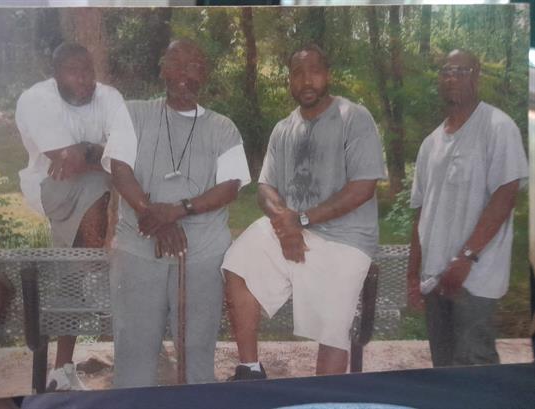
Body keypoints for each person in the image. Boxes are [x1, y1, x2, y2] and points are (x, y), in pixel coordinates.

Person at [222, 44, 386, 380]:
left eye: (315, 71)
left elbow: (363, 187)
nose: (307, 80)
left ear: (328, 75)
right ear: (289, 80)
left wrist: (301, 220)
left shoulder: (353, 117)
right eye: (297, 73)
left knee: (333, 328)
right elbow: (265, 188)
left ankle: (325, 398)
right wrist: (285, 222)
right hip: (293, 229)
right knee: (237, 262)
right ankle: (250, 370)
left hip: (347, 237)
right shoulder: (283, 128)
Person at [105, 38, 250, 387]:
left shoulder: (223, 127)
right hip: (139, 249)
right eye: (176, 63)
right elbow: (120, 170)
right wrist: (152, 215)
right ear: (162, 69)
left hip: (201, 254)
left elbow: (230, 186)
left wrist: (178, 210)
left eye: (194, 66)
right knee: (135, 350)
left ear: (205, 74)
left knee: (196, 352)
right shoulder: (133, 113)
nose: (184, 73)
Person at [15, 42, 137, 390]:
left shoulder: (109, 98)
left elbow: (127, 154)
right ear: (55, 74)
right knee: (102, 182)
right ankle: (96, 268)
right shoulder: (37, 99)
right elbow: (68, 161)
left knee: (70, 264)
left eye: (88, 70)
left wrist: (87, 151)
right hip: (52, 188)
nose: (84, 79)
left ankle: (61, 370)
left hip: (98, 192)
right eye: (73, 71)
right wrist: (99, 153)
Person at [407, 49, 528, 367]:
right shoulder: (430, 143)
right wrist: (413, 276)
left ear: (477, 76)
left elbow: (505, 196)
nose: (452, 77)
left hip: (475, 277)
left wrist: (466, 258)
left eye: (462, 71)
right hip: (435, 278)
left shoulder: (497, 127)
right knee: (443, 369)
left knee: (476, 366)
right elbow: (421, 212)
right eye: (446, 71)